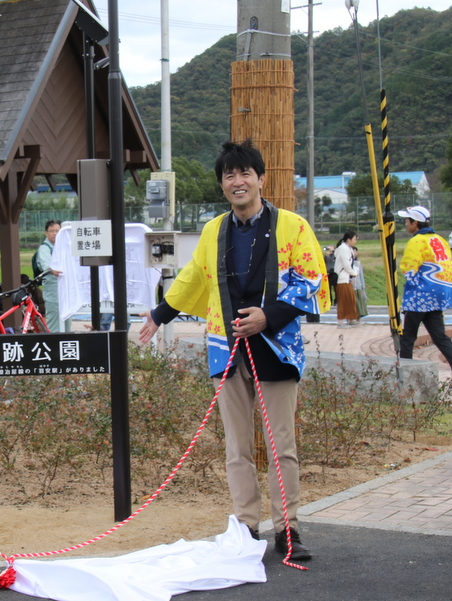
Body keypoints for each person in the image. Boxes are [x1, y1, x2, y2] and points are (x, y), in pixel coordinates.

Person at [139, 140, 329, 561]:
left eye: (245, 173)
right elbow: (194, 277)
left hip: (275, 348)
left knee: (282, 443)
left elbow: (311, 279)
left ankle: (289, 530)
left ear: (261, 179)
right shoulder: (214, 230)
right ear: (222, 185)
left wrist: (269, 316)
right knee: (236, 445)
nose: (237, 181)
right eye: (229, 175)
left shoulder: (293, 227)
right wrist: (161, 313)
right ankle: (245, 526)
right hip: (226, 350)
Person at [397, 206, 452, 384]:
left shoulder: (416, 241)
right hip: (437, 297)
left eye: (407, 221)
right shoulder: (440, 240)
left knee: (407, 338)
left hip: (418, 298)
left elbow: (408, 268)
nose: (405, 224)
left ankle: (405, 377)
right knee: (440, 336)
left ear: (415, 223)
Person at [36, 220, 63, 331]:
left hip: (65, 290)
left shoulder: (64, 247)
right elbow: (45, 264)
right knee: (54, 322)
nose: (54, 233)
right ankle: (53, 346)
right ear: (46, 233)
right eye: (51, 231)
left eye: (57, 230)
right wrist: (53, 270)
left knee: (66, 321)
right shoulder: (44, 248)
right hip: (53, 289)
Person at [334, 231, 359, 328]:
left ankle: (351, 318)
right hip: (342, 278)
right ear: (349, 239)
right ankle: (340, 321)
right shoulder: (344, 249)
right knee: (343, 300)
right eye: (354, 239)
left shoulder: (347, 248)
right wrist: (354, 273)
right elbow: (346, 264)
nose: (355, 241)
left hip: (346, 278)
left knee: (350, 299)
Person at [352, 246, 369, 319]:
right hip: (351, 286)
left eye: (356, 251)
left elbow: (361, 276)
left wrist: (363, 288)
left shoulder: (358, 263)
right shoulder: (347, 263)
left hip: (358, 286)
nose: (355, 253)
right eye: (353, 251)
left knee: (360, 303)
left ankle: (358, 318)